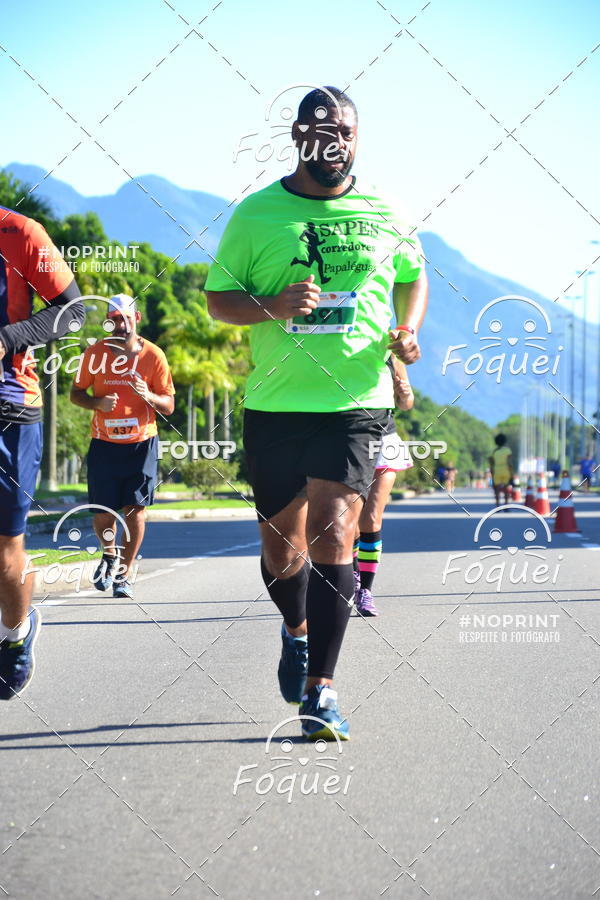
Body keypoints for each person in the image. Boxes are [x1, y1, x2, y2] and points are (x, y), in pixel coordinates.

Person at [205, 86, 428, 741]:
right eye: (323, 133)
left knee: (335, 530)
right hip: (276, 403)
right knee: (282, 554)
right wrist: (272, 304)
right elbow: (221, 301)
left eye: (347, 134)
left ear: (358, 139)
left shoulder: (386, 209)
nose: (336, 145)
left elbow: (414, 275)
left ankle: (320, 692)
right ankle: (295, 629)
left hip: (356, 401)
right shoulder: (256, 214)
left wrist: (407, 330)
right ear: (300, 138)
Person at [0, 206, 83, 700]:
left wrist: (8, 339)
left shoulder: (18, 232)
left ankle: (14, 635)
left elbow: (73, 310)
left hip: (9, 409)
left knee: (6, 551)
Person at [70, 294, 175, 599]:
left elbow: (168, 405)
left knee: (136, 510)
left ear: (136, 318)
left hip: (142, 443)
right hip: (104, 443)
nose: (119, 324)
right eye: (113, 319)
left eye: (124, 318)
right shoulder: (95, 354)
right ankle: (109, 553)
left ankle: (125, 573)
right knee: (103, 511)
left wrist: (149, 396)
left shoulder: (154, 356)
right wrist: (96, 402)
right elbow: (76, 393)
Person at [353, 356, 414, 617]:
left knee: (371, 516)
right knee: (348, 522)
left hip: (383, 440)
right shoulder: (341, 345)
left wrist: (405, 394)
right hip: (347, 439)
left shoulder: (392, 354)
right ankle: (353, 574)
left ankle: (365, 590)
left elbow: (407, 403)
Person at [489, 434, 514, 506]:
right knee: (506, 489)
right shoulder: (508, 450)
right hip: (506, 470)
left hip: (497, 470)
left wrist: (492, 472)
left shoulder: (494, 452)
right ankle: (506, 505)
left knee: (496, 489)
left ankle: (497, 505)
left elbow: (491, 463)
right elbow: (509, 463)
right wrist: (512, 473)